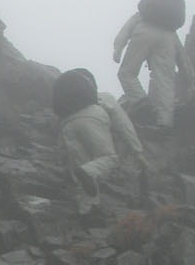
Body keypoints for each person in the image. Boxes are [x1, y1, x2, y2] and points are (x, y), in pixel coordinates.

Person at [52, 67, 148, 197]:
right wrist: (138, 151)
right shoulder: (104, 97)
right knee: (108, 159)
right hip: (92, 118)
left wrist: (61, 155)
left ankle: (88, 210)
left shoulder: (67, 108)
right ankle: (87, 172)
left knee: (83, 170)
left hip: (67, 124)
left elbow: (60, 134)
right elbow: (124, 125)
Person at [112, 0, 195, 129]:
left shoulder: (141, 16)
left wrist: (118, 49)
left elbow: (125, 31)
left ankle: (140, 102)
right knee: (165, 81)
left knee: (127, 73)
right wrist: (190, 77)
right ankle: (165, 121)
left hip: (142, 32)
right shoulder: (171, 30)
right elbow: (182, 55)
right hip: (166, 41)